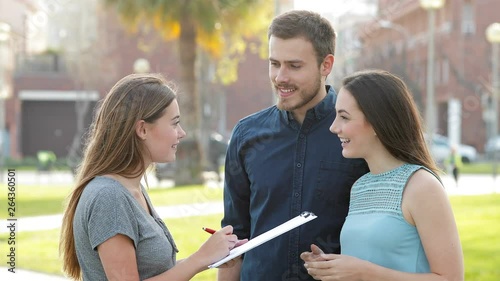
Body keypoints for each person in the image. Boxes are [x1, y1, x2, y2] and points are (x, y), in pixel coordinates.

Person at [218, 10, 369, 281]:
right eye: (274, 63)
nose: (280, 77)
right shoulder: (245, 135)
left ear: (326, 65)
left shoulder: (359, 130)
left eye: (294, 66)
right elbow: (235, 236)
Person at [59, 73, 244, 281]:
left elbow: (153, 274)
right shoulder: (109, 197)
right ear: (142, 129)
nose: (181, 133)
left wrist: (211, 257)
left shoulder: (132, 190)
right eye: (174, 123)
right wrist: (200, 258)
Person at [301, 70, 464, 281]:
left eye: (344, 117)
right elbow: (368, 260)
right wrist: (333, 267)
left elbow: (452, 278)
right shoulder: (360, 186)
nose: (334, 127)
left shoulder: (422, 186)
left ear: (378, 122)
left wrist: (363, 272)